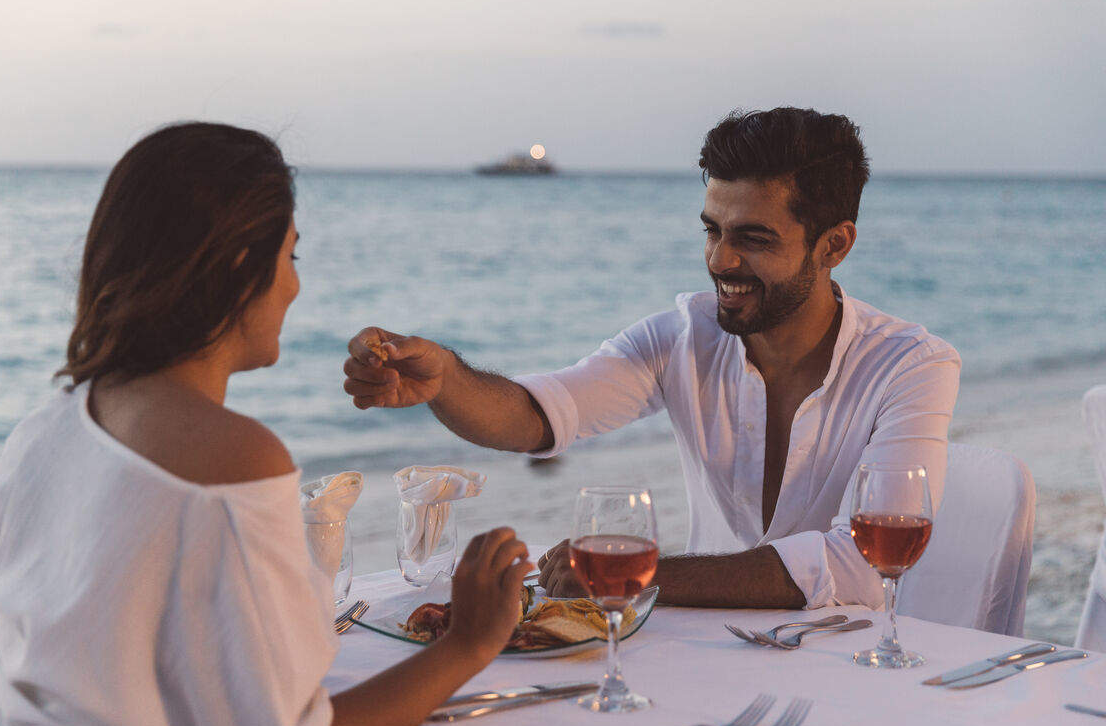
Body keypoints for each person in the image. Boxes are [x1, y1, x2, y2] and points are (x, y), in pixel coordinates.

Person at [0, 122, 533, 726]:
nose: (295, 287)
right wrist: (470, 642)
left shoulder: (47, 427)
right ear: (238, 267)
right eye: (291, 256)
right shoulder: (232, 462)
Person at [342, 107, 960, 611]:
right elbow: (539, 415)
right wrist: (446, 380)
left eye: (753, 238)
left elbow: (862, 565)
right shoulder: (682, 337)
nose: (720, 260)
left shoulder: (912, 366)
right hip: (700, 656)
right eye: (712, 230)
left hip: (853, 672)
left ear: (835, 245)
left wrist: (634, 573)